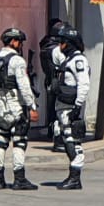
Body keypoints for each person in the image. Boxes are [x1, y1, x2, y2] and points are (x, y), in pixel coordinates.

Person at [0, 26, 40, 191]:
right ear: (14, 41)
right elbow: (24, 87)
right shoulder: (17, 61)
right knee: (19, 141)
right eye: (19, 42)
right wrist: (31, 106)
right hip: (14, 104)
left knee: (1, 141)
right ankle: (19, 178)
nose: (21, 45)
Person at [52, 25, 91, 190]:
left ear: (70, 43)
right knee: (67, 139)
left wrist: (77, 106)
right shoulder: (68, 60)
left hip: (70, 107)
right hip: (63, 107)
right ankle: (73, 176)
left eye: (63, 42)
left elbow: (84, 84)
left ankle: (75, 177)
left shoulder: (78, 60)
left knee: (73, 141)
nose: (60, 46)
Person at [39, 18, 67, 149]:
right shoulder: (57, 49)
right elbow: (65, 65)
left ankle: (52, 131)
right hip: (58, 81)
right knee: (59, 110)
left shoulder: (45, 45)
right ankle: (58, 138)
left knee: (51, 109)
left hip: (49, 80)